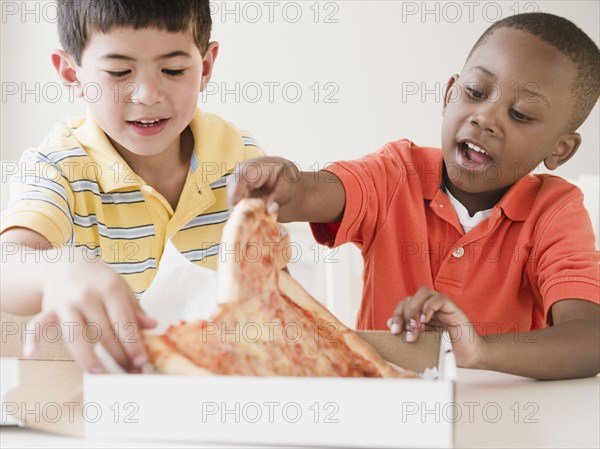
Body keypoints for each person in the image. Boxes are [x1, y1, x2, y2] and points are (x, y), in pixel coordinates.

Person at [229, 12, 600, 380]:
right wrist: (284, 182)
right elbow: (308, 192)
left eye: (520, 114)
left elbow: (590, 341)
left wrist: (480, 350)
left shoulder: (555, 212)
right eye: (475, 93)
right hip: (379, 407)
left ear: (561, 150)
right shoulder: (395, 173)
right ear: (449, 93)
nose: (485, 118)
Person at [0, 0, 271, 374]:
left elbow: (270, 293)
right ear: (71, 73)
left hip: (219, 392)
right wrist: (56, 269)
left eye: (174, 70)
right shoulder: (56, 167)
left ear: (205, 67)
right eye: (119, 71)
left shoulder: (241, 159)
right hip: (104, 396)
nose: (147, 94)